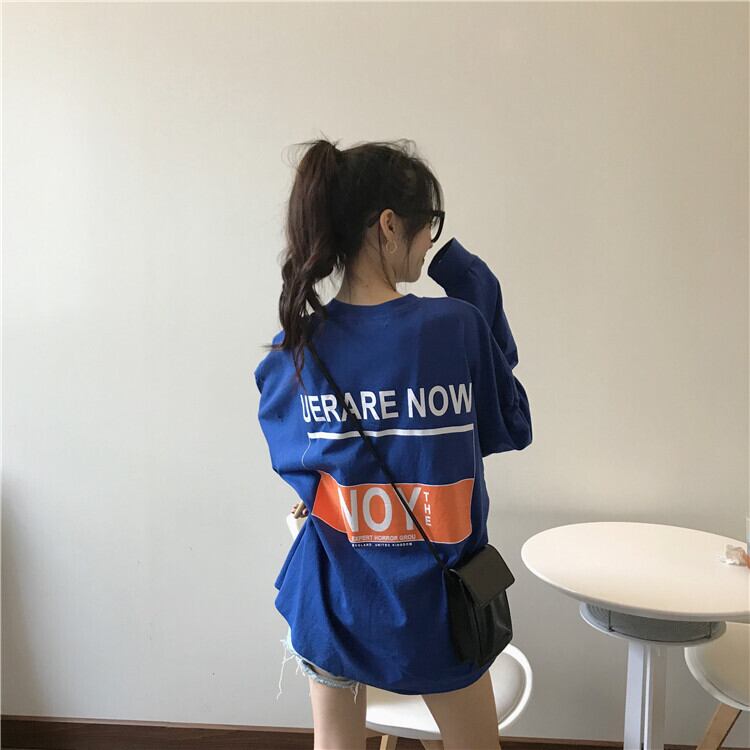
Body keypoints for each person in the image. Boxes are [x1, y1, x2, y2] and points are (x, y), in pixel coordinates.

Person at [253, 137, 533, 750]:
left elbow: (300, 470)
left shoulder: (291, 352)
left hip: (334, 597)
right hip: (438, 608)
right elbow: (511, 425)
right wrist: (474, 283)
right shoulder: (456, 328)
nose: (430, 241)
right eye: (429, 224)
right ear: (387, 225)